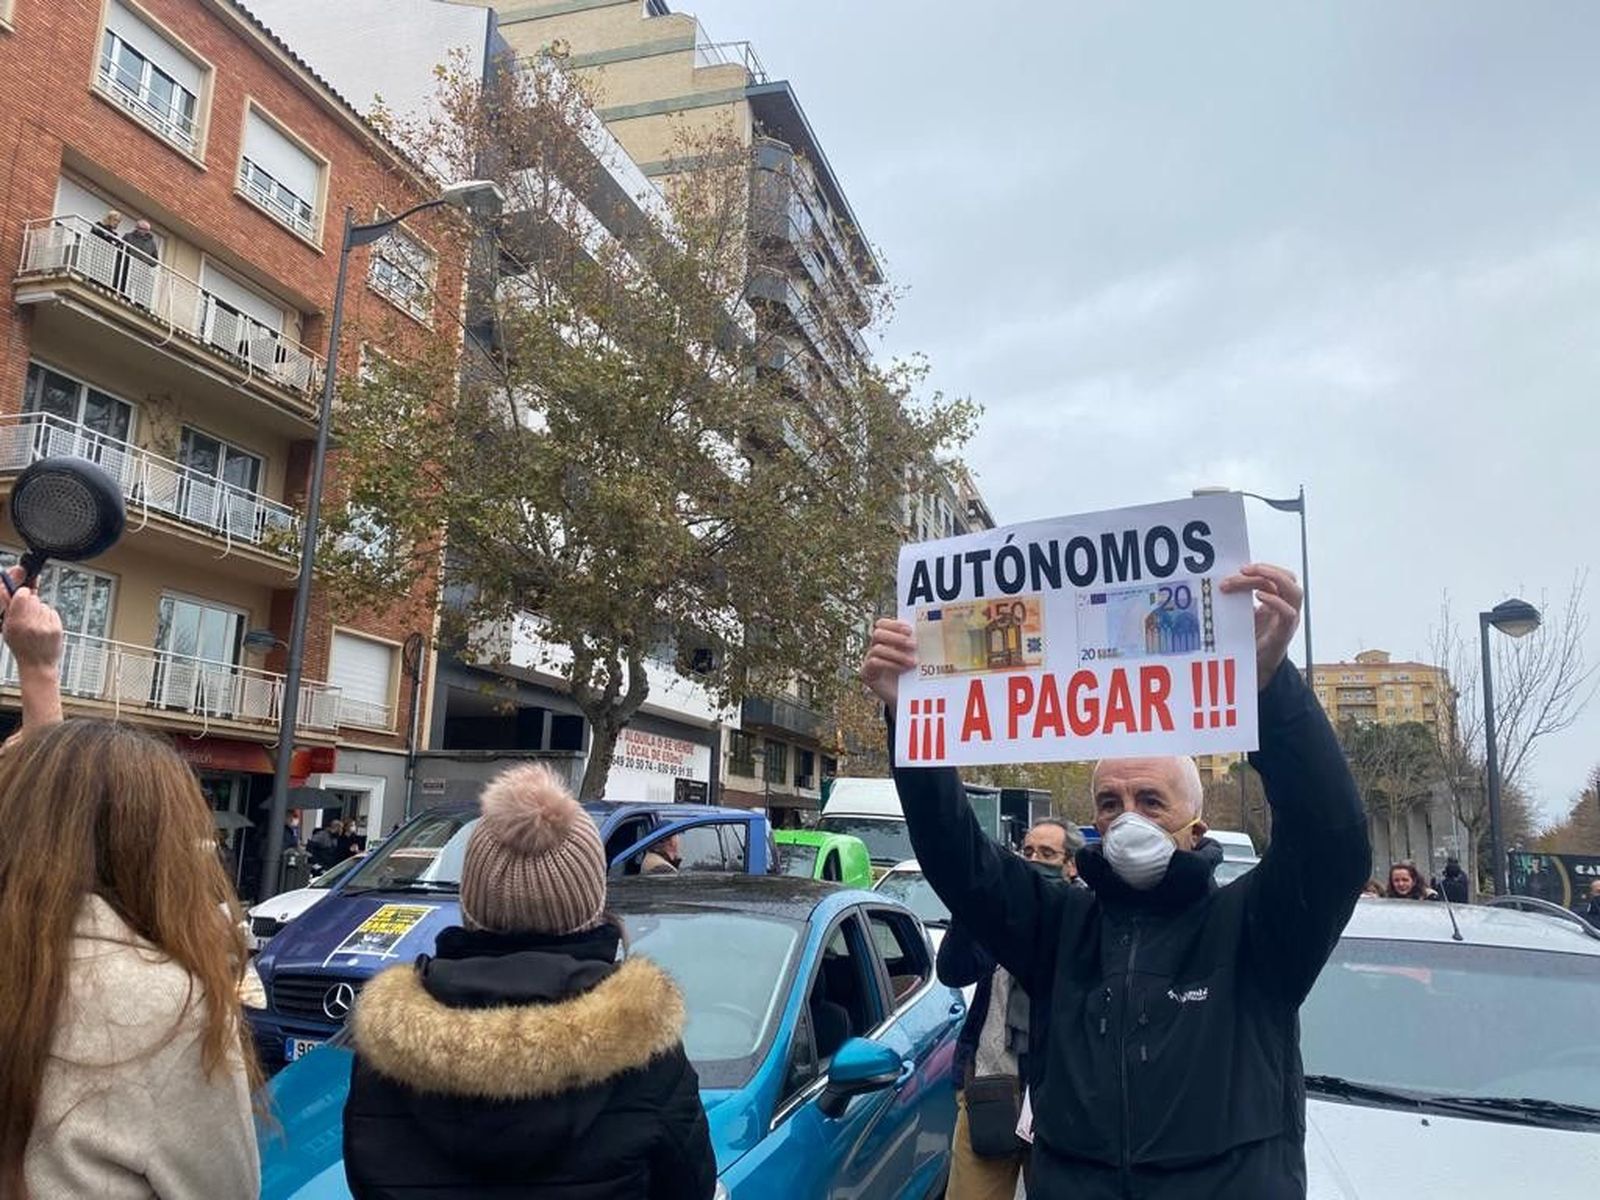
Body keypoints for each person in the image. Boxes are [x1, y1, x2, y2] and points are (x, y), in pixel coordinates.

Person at [862, 562, 1370, 1198]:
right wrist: (910, 716)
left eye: (1151, 801)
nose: (1128, 817)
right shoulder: (1060, 927)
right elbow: (956, 856)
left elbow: (1332, 842)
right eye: (1110, 802)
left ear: (1195, 826)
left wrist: (1271, 690)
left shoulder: (1253, 928)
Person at [0, 569, 261, 1200]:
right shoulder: (172, 1006)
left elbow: (49, 806)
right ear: (162, 845)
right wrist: (38, 669)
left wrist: (38, 671)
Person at [342, 762, 716, 1199]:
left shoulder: (389, 1045)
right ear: (591, 901)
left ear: (471, 898)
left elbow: (364, 1176)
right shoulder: (645, 1046)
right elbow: (691, 1185)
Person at [940, 818, 1084, 1200]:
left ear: (1071, 865)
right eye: (1028, 851)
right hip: (989, 1091)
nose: (1033, 860)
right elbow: (953, 971)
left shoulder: (1088, 920)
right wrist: (969, 907)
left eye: (1047, 853)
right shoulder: (1000, 913)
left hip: (1060, 1103)